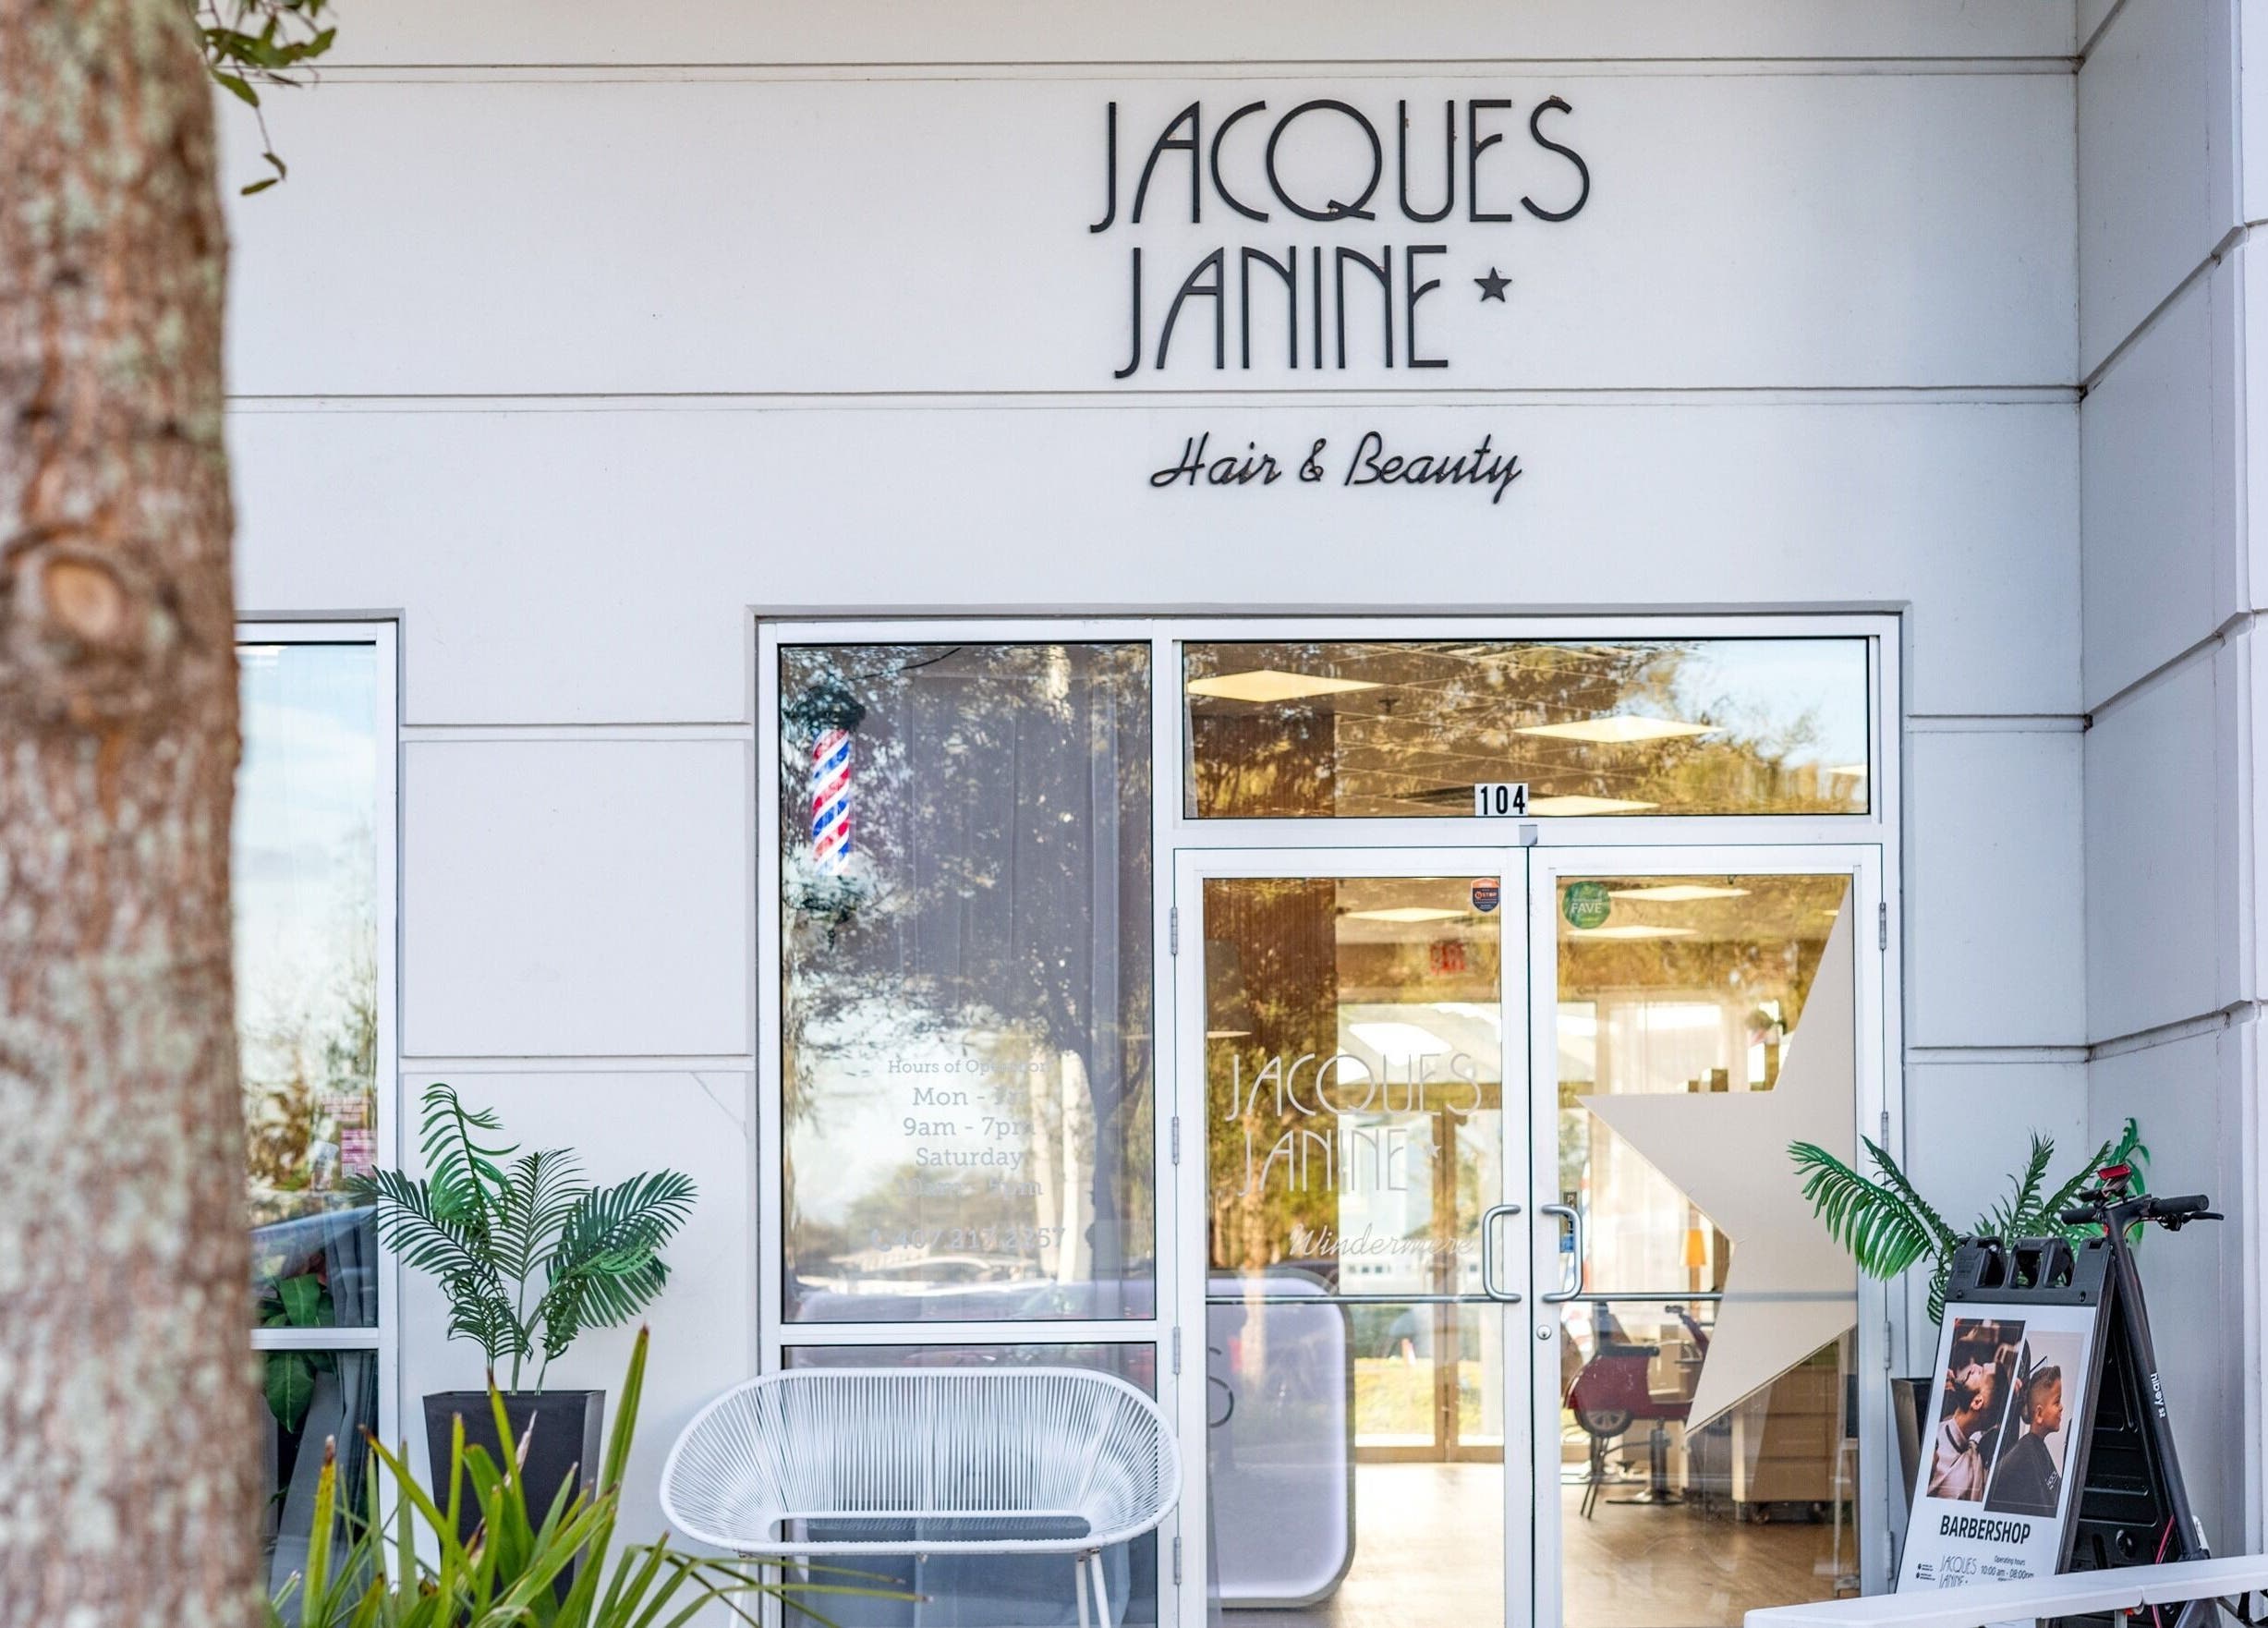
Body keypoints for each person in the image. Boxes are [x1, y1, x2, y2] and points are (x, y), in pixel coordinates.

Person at [1987, 1364, 2065, 1515]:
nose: (2061, 1407)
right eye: (2057, 1402)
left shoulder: (2037, 1447)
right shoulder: (2024, 1456)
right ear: (2039, 1414)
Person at [1927, 1362, 1997, 1501]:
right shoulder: (1934, 1422)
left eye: (1981, 1372)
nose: (1974, 1367)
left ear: (1977, 1402)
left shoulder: (1970, 1470)